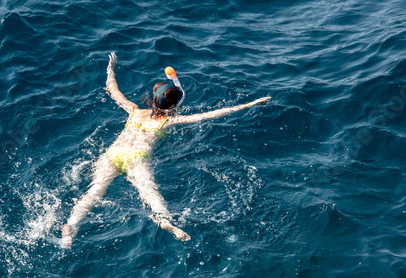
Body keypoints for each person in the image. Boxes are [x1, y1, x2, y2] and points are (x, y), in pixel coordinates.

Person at [61, 52, 270, 249]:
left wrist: (110, 68)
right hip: (137, 158)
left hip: (113, 153)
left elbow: (113, 90)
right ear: (172, 107)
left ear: (153, 99)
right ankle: (164, 221)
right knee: (151, 194)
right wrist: (250, 104)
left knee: (94, 191)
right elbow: (211, 115)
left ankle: (70, 226)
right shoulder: (170, 121)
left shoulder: (133, 110)